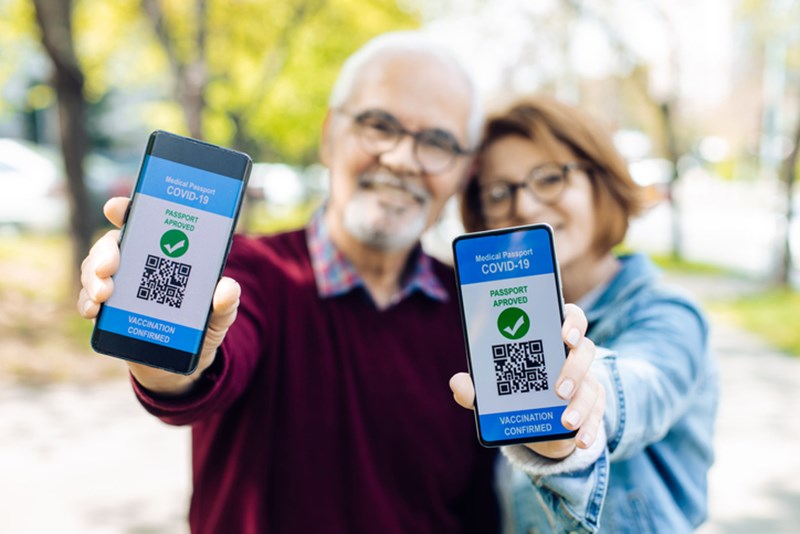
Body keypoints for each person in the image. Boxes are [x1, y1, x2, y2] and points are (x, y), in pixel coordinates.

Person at [78, 31, 513, 533]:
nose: (400, 159)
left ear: (465, 171)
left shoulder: (480, 311)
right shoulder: (249, 271)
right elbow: (193, 374)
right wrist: (161, 343)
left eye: (437, 142)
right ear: (329, 135)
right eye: (379, 125)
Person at [449, 95, 718, 533]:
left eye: (549, 178)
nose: (524, 206)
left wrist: (578, 406)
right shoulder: (485, 328)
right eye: (499, 192)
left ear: (600, 182)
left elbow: (643, 384)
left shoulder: (669, 314)